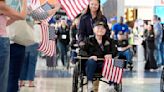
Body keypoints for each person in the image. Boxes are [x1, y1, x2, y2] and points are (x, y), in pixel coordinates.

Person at [79, 21, 117, 92]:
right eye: (98, 28)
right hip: (90, 65)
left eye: (103, 28)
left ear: (105, 30)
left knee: (113, 63)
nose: (100, 29)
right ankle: (90, 83)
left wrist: (111, 54)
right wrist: (90, 56)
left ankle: (111, 85)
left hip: (104, 65)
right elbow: (81, 51)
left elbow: (115, 51)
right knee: (91, 61)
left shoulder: (110, 41)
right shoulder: (88, 40)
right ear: (93, 29)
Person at [0, 0, 26, 92]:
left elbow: (5, 22)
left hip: (12, 40)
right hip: (5, 41)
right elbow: (23, 16)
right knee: (5, 78)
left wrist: (13, 16)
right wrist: (24, 3)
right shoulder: (2, 5)